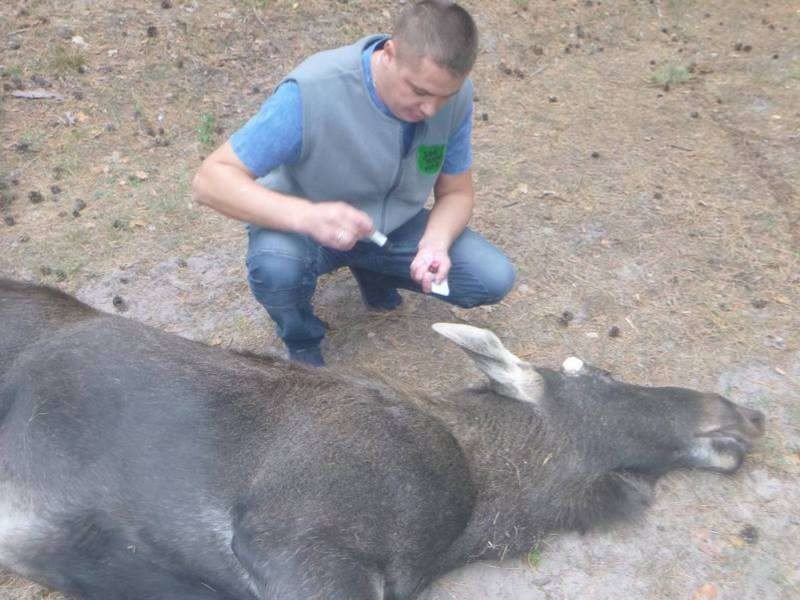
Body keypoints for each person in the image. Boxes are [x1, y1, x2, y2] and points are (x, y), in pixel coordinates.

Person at [192, 0, 515, 367]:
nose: (431, 110)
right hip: (306, 226)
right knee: (276, 269)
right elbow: (210, 179)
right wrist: (306, 217)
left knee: (493, 278)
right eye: (420, 92)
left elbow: (456, 193)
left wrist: (435, 245)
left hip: (390, 227)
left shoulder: (454, 99)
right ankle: (301, 341)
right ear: (389, 54)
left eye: (446, 95)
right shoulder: (313, 91)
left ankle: (373, 267)